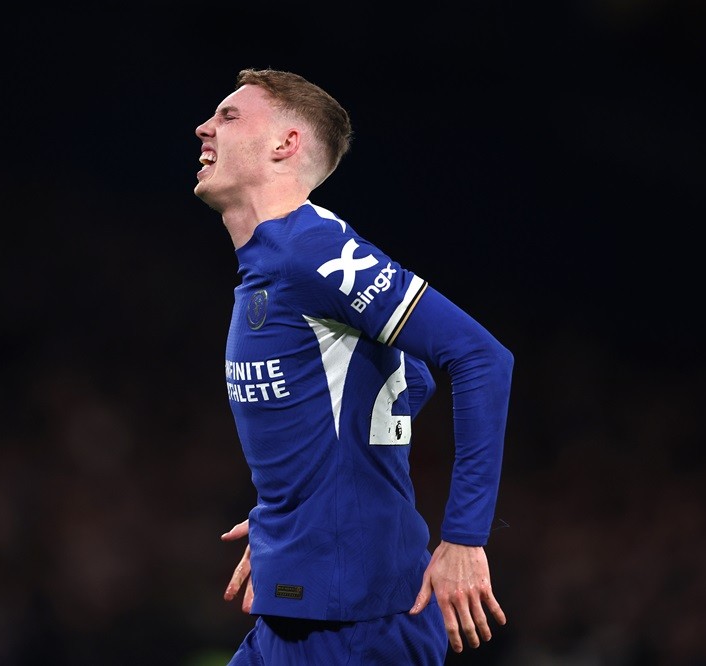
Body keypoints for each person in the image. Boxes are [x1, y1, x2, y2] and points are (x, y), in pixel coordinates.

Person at [193, 67, 514, 665]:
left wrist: (465, 539)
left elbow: (481, 358)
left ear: (286, 144)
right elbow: (405, 378)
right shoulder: (274, 260)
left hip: (358, 624)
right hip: (301, 613)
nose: (204, 128)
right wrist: (301, 507)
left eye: (230, 116)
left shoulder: (311, 250)